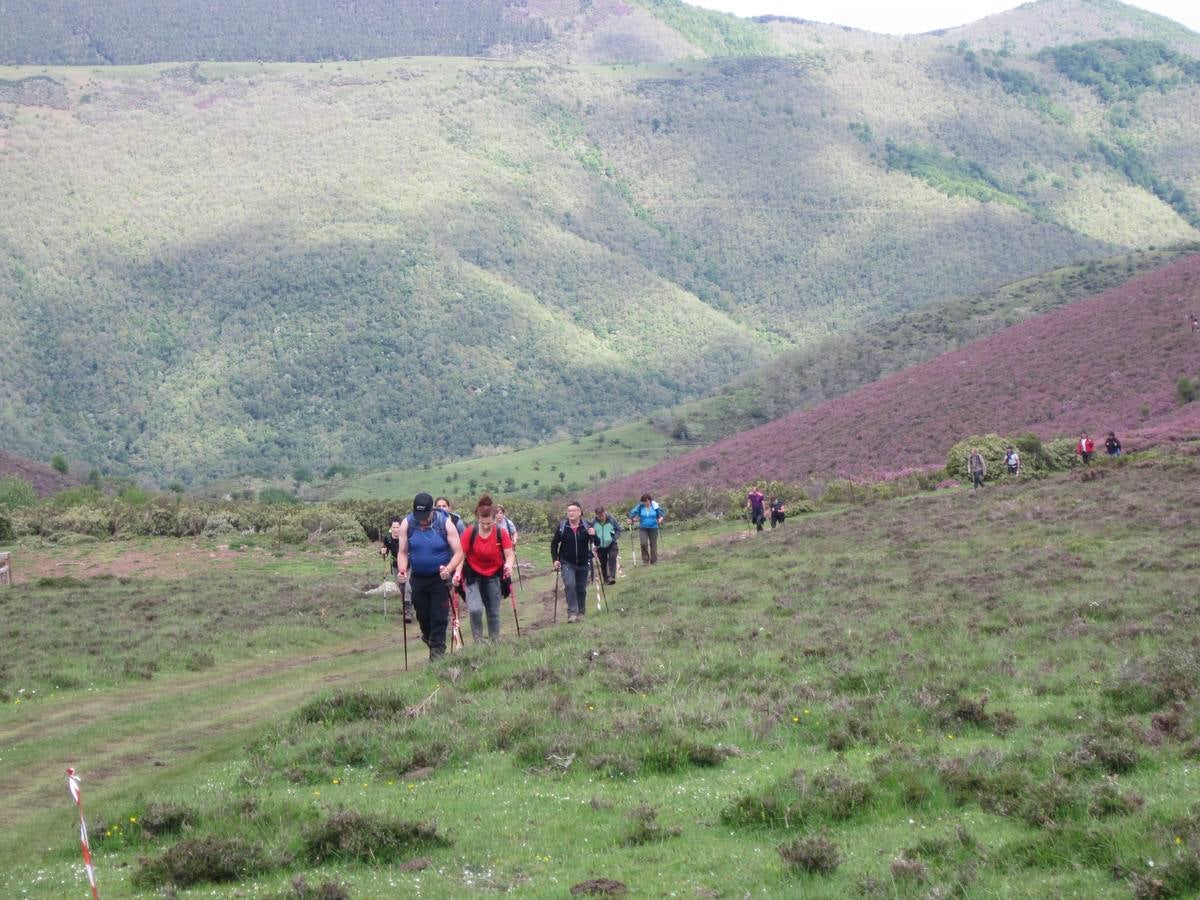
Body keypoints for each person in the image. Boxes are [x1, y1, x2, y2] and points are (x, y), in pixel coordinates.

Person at [397, 492, 464, 660]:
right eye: (419, 516)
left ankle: (437, 658)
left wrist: (449, 569)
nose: (422, 521)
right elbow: (403, 552)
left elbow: (459, 552)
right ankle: (429, 638)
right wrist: (402, 570)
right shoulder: (408, 524)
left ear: (432, 511)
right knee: (423, 616)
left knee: (439, 618)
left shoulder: (445, 524)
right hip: (418, 578)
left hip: (440, 580)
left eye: (425, 517)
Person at [455, 495, 515, 643]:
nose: (487, 526)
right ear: (478, 518)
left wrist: (508, 565)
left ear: (495, 519)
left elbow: (509, 554)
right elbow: (461, 555)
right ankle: (478, 643)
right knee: (475, 609)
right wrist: (457, 573)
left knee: (493, 612)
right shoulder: (470, 532)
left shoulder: (502, 533)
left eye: (490, 523)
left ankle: (495, 643)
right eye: (483, 523)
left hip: (494, 575)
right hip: (473, 575)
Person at [551, 501, 595, 623]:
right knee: (570, 585)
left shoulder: (587, 525)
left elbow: (597, 543)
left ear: (580, 512)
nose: (570, 513)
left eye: (573, 510)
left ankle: (581, 611)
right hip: (566, 562)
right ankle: (572, 613)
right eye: (568, 511)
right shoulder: (562, 526)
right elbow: (554, 544)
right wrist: (555, 559)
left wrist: (594, 535)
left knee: (581, 588)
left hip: (583, 562)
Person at [380, 516, 414, 623]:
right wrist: (383, 552)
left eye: (398, 527)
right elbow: (384, 551)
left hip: (408, 565)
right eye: (393, 527)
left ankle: (408, 611)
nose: (396, 529)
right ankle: (407, 607)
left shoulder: (406, 536)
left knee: (408, 586)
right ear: (391, 528)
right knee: (402, 588)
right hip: (395, 566)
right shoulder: (388, 538)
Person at [628, 493, 664, 564]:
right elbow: (633, 513)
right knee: (643, 543)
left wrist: (660, 519)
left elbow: (661, 514)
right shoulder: (640, 507)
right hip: (643, 528)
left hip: (653, 527)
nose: (646, 503)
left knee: (653, 544)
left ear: (650, 500)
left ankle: (654, 560)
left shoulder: (655, 506)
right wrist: (630, 519)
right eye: (644, 501)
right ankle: (645, 560)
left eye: (647, 501)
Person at [591, 506, 621, 585]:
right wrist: (593, 543)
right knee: (603, 563)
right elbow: (591, 534)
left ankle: (611, 577)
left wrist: (614, 538)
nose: (601, 517)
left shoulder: (611, 520)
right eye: (599, 516)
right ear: (596, 515)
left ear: (605, 512)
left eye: (602, 515)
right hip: (600, 546)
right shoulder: (593, 522)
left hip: (611, 544)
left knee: (612, 558)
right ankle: (605, 578)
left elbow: (618, 529)